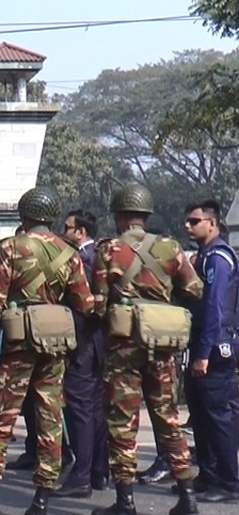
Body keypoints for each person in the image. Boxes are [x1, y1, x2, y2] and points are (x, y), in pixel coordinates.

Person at [0, 187, 94, 515]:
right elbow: (84, 303)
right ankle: (41, 502)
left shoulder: (11, 248)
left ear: (23, 215)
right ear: (51, 217)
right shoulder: (69, 253)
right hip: (54, 348)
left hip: (15, 348)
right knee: (50, 420)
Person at [90, 183, 203, 515]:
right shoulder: (170, 248)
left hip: (122, 351)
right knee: (169, 421)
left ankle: (125, 502)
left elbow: (97, 306)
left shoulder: (109, 250)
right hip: (162, 348)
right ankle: (188, 499)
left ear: (121, 217)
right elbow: (195, 290)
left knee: (122, 424)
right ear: (146, 215)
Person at [182, 199, 239, 503]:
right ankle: (209, 474)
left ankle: (229, 481)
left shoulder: (218, 258)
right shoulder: (203, 257)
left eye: (194, 221)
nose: (187, 226)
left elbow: (216, 310)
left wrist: (204, 353)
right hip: (200, 345)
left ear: (212, 223)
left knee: (219, 417)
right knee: (201, 415)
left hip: (215, 348)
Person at [54, 209, 110, 498]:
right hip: (96, 343)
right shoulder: (96, 256)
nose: (64, 232)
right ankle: (98, 471)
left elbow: (84, 304)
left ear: (81, 232)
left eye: (68, 227)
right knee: (95, 409)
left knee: (80, 410)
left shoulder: (83, 259)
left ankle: (82, 475)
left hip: (83, 342)